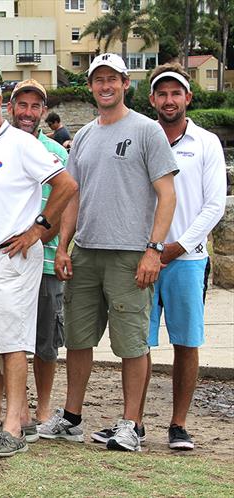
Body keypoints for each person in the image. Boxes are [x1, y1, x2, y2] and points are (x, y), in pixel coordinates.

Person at [42, 53, 178, 452]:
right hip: (85, 252)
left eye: (112, 79)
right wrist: (63, 246)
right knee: (79, 339)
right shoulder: (83, 136)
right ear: (91, 86)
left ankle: (131, 424)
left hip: (129, 255)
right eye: (98, 79)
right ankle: (71, 418)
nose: (105, 86)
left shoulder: (147, 131)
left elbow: (166, 194)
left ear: (124, 84)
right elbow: (73, 197)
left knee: (131, 343)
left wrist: (153, 250)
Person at [91, 63, 226, 451]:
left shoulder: (206, 143)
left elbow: (214, 205)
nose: (169, 100)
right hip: (140, 256)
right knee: (138, 342)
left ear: (188, 97)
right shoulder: (141, 136)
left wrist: (177, 246)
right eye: (161, 94)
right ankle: (133, 422)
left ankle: (178, 424)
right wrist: (147, 248)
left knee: (186, 341)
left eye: (175, 93)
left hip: (185, 259)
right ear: (151, 99)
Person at [0, 73, 76, 458]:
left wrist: (38, 230)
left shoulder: (22, 144)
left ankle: (13, 428)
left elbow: (66, 186)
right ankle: (19, 414)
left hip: (14, 255)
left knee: (13, 342)